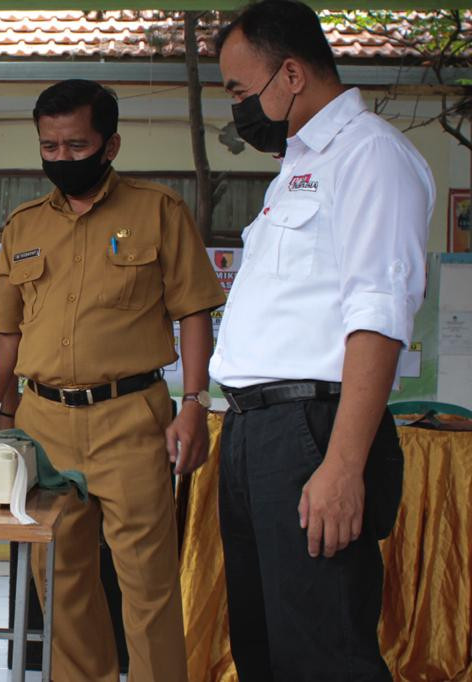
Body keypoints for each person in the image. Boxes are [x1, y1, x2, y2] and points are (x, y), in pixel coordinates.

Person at [211, 2, 434, 680]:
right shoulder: (297, 166)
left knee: (322, 655)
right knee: (265, 651)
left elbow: (378, 316)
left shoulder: (371, 157)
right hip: (255, 433)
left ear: (291, 74)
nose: (238, 108)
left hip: (312, 433)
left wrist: (341, 467)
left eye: (240, 91)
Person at [0, 79, 226, 681]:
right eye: (50, 147)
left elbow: (195, 310)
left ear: (110, 144)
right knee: (60, 582)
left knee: (147, 586)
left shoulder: (158, 211)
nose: (62, 159)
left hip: (132, 418)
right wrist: (1, 412)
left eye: (76, 145)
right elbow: (7, 335)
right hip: (42, 423)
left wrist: (192, 403)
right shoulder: (22, 224)